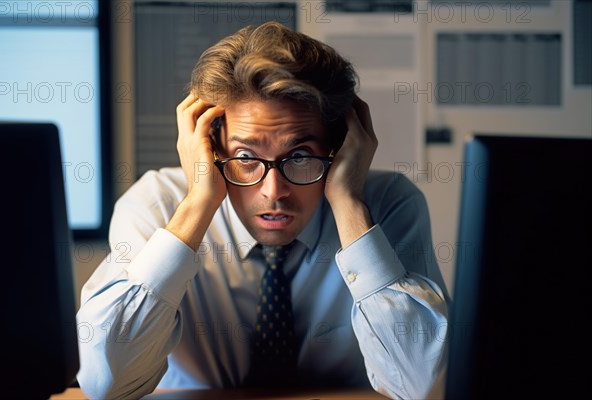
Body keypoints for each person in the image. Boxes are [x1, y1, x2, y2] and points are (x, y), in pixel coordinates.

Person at [76, 21, 450, 400]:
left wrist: (350, 207)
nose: (274, 192)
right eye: (245, 157)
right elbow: (107, 385)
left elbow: (423, 386)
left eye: (300, 156)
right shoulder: (156, 205)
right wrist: (197, 206)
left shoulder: (388, 204)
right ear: (211, 147)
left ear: (337, 150)